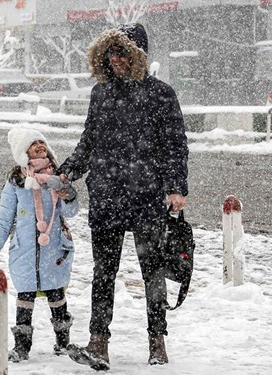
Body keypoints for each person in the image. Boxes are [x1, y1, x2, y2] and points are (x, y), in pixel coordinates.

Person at [57, 23, 188, 370]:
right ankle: (98, 341)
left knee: (152, 271)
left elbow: (175, 146)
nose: (115, 59)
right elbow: (88, 141)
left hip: (147, 195)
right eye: (110, 53)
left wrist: (176, 187)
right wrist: (68, 170)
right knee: (104, 272)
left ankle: (157, 340)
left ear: (137, 56)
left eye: (122, 53)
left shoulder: (161, 94)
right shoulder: (101, 94)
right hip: (107, 195)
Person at [0, 128, 79, 363]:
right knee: (25, 297)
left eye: (41, 142)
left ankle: (63, 342)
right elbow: (5, 219)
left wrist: (65, 191)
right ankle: (22, 346)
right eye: (33, 143)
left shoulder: (57, 176)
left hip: (54, 247)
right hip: (25, 250)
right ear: (22, 152)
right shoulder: (16, 183)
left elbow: (71, 211)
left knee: (56, 294)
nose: (39, 145)